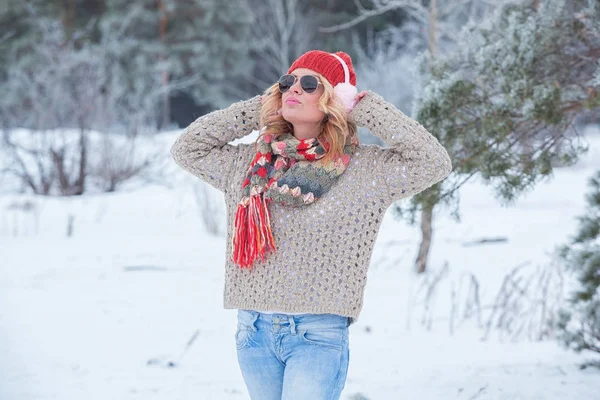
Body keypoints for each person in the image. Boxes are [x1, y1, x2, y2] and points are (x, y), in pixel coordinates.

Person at [171, 49, 452, 400]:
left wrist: (363, 107)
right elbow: (188, 148)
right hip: (254, 329)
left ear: (336, 100)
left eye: (309, 84)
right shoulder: (250, 163)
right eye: (287, 83)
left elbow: (433, 161)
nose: (294, 90)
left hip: (317, 335)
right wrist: (256, 110)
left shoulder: (367, 172)